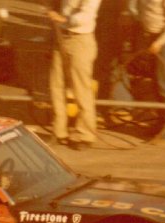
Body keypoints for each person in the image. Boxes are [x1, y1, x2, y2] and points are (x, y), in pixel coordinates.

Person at [129, 0, 165, 144]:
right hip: (151, 36)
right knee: (156, 84)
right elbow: (135, 9)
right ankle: (162, 125)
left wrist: (160, 42)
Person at [47, 0, 103, 149]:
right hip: (61, 37)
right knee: (56, 85)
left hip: (81, 40)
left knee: (81, 89)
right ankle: (59, 131)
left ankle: (85, 134)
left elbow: (86, 14)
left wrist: (63, 19)